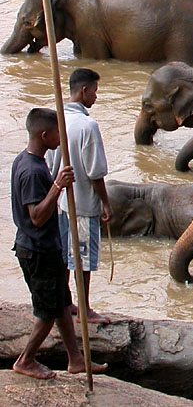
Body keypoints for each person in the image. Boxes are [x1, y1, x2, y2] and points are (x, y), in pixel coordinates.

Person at [11, 107, 108, 379]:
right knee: (48, 312)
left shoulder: (29, 160)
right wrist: (58, 186)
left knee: (63, 304)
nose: (62, 139)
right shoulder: (32, 171)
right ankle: (25, 360)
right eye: (58, 133)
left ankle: (76, 359)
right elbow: (38, 217)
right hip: (37, 250)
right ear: (44, 136)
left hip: (47, 247)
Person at [47, 68, 112, 324]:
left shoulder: (57, 119)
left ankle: (65, 302)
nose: (96, 96)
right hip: (83, 203)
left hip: (61, 201)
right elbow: (95, 172)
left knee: (65, 255)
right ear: (84, 90)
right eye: (95, 90)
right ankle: (84, 309)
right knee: (82, 259)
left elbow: (50, 161)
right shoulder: (87, 125)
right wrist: (105, 203)